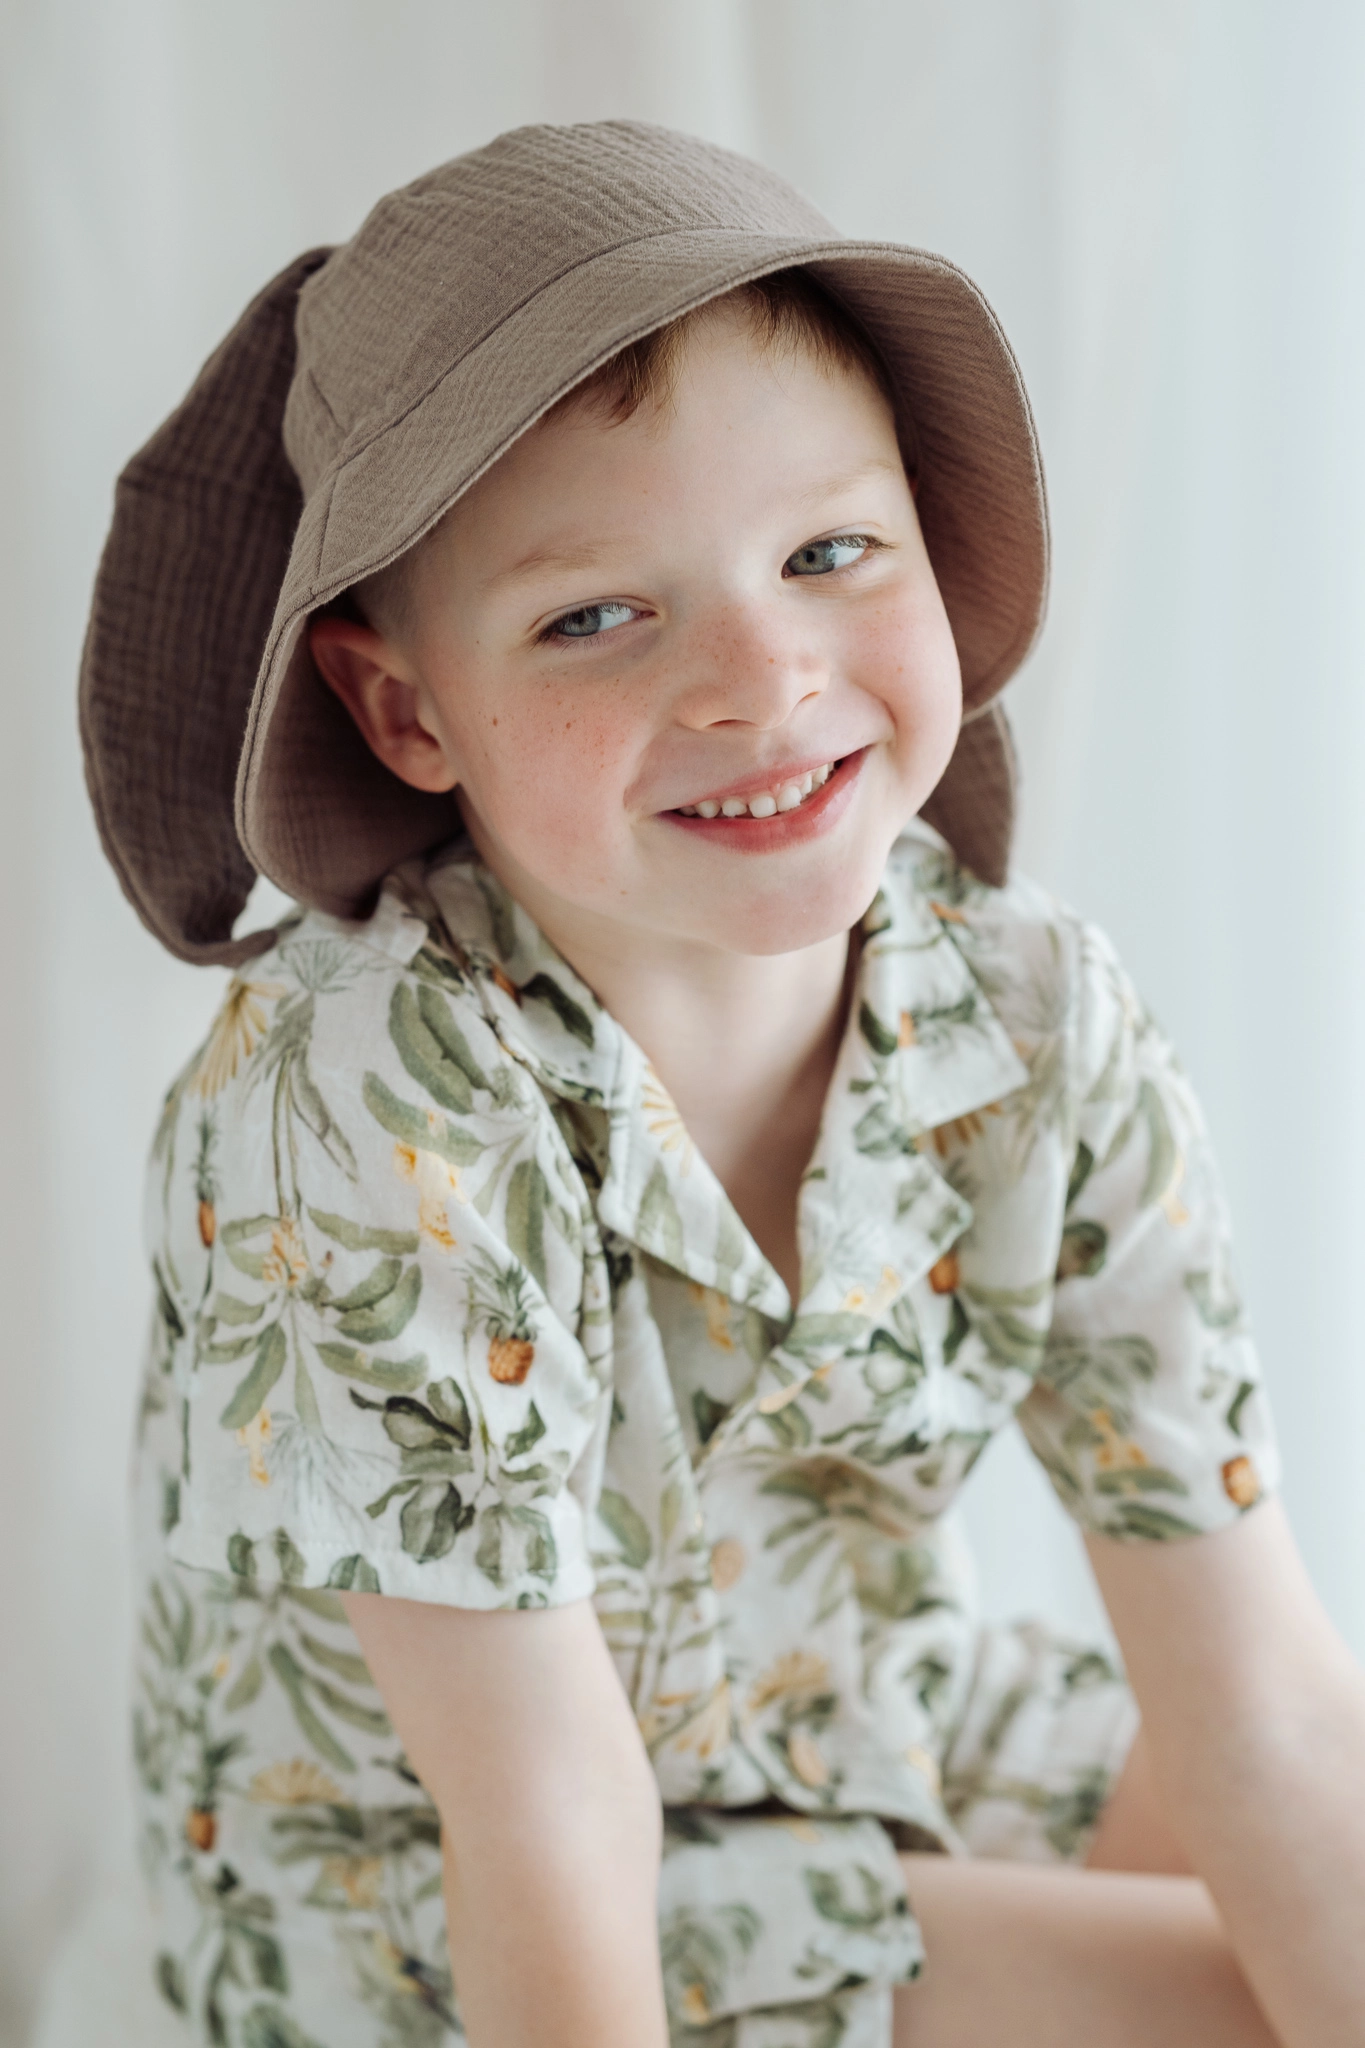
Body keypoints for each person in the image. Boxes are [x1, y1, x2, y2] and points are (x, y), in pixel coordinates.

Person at [82, 122, 1364, 2048]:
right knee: (1226, 2009)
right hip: (432, 1895)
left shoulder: (1035, 1023)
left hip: (856, 1725)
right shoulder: (363, 1100)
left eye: (829, 553)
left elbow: (1265, 1707)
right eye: (595, 615)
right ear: (404, 710)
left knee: (1299, 1855)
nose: (763, 682)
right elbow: (545, 1821)